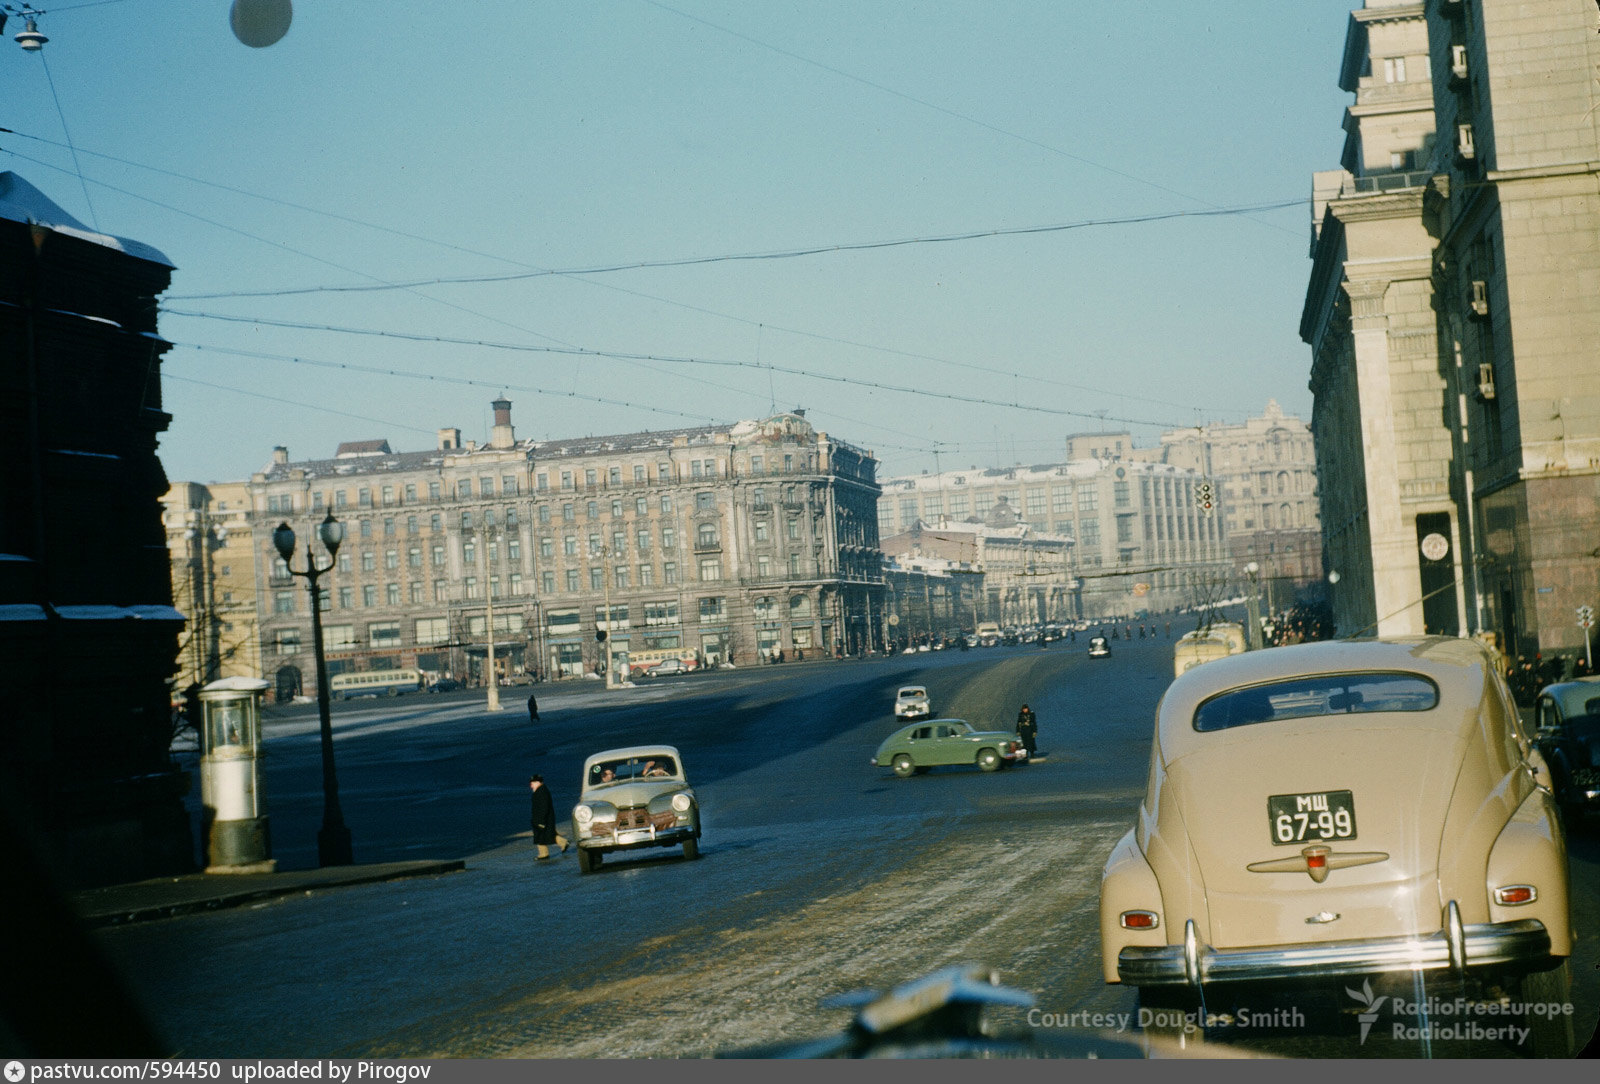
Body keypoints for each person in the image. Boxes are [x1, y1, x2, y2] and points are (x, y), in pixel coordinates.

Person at [528, 775, 567, 861]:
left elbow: (544, 807)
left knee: (541, 835)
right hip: (542, 818)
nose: (531, 785)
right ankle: (563, 843)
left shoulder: (541, 792)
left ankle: (543, 854)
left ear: (538, 782)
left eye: (533, 783)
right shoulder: (540, 790)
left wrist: (541, 821)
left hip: (543, 818)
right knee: (546, 834)